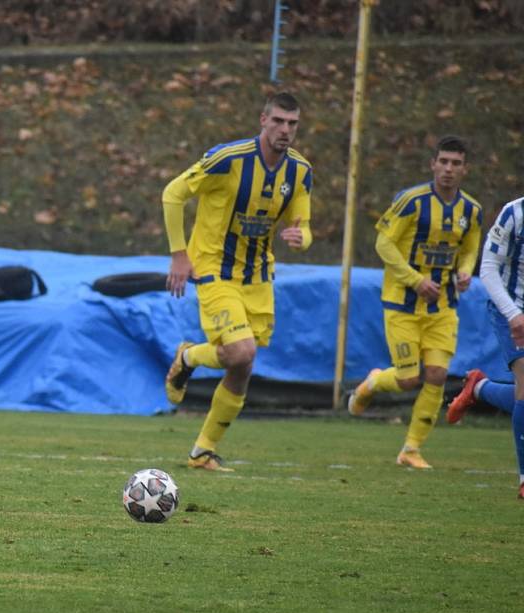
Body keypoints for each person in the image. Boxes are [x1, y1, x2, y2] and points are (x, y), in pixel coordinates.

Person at [162, 92, 313, 471]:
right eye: (278, 120)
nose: (285, 130)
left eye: (292, 123)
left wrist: (301, 238)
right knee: (243, 352)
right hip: (214, 270)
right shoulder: (228, 159)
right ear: (263, 120)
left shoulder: (299, 171)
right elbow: (173, 193)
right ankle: (189, 358)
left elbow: (303, 225)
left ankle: (202, 449)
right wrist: (180, 254)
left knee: (240, 364)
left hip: (259, 277)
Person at [348, 136, 482, 469]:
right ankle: (372, 382)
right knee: (409, 379)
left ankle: (411, 449)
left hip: (443, 308)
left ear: (465, 169)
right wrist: (415, 279)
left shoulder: (471, 210)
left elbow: (469, 248)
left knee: (437, 374)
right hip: (402, 304)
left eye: (456, 163)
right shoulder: (411, 201)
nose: (449, 169)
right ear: (433, 164)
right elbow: (384, 243)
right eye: (444, 161)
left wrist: (465, 272)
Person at [447, 194, 524, 499]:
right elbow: (489, 267)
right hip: (509, 309)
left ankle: (479, 388)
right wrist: (514, 314)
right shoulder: (513, 214)